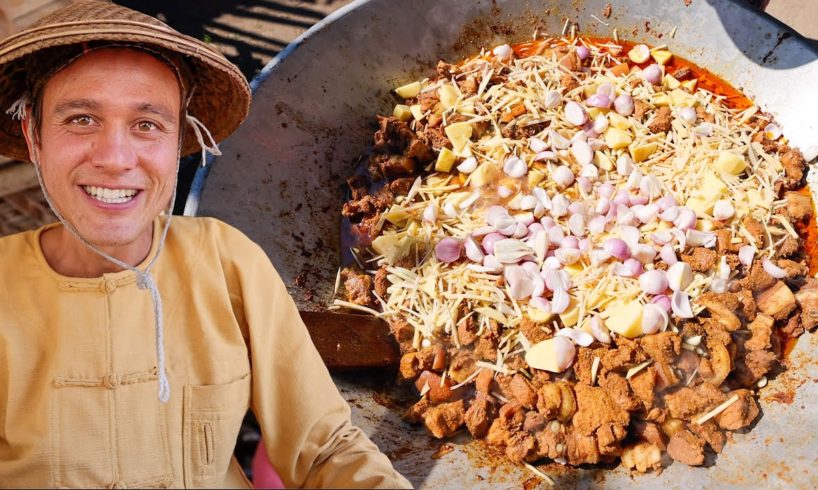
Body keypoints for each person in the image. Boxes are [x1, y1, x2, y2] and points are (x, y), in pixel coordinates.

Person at [0, 1, 411, 488]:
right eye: (81, 119)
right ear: (34, 135)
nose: (115, 158)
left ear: (178, 144)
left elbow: (324, 450)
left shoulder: (225, 260)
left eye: (147, 125)